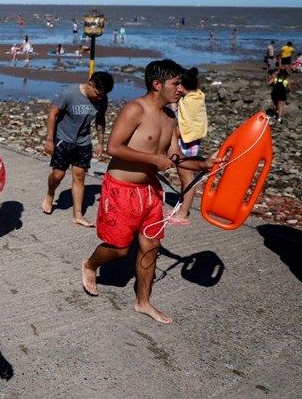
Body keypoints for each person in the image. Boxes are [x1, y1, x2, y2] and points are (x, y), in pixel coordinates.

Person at [80, 60, 219, 324]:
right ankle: (90, 264)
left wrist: (202, 163)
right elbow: (114, 147)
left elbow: (175, 156)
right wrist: (154, 160)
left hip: (150, 192)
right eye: (175, 84)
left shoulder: (170, 118)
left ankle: (143, 302)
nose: (180, 89)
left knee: (151, 246)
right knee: (120, 249)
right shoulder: (135, 109)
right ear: (157, 85)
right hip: (121, 189)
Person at [41, 72, 114, 227]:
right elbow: (52, 114)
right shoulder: (69, 93)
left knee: (79, 175)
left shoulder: (102, 99)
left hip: (83, 141)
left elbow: (100, 120)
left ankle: (77, 215)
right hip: (63, 139)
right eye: (98, 93)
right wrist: (49, 140)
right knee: (58, 174)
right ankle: (50, 193)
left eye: (104, 95)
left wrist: (100, 142)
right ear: (90, 84)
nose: (100, 97)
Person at [169, 67, 208, 225]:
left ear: (184, 86)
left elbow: (184, 123)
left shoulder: (188, 102)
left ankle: (183, 213)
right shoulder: (197, 97)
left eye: (178, 85)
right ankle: (181, 208)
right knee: (184, 178)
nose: (176, 87)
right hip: (191, 143)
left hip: (187, 143)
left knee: (187, 179)